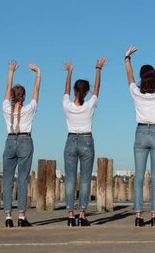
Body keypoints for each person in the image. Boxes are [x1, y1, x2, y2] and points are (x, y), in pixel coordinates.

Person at [125, 42, 155, 227]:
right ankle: (154, 216)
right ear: (154, 78)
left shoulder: (136, 92)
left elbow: (129, 77)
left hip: (140, 132)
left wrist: (127, 58)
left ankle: (138, 216)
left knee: (138, 176)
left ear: (141, 78)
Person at [62, 57, 107, 227]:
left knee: (70, 180)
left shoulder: (67, 105)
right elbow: (97, 89)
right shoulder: (89, 105)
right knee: (86, 179)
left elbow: (66, 92)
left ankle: (70, 215)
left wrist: (69, 72)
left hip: (71, 140)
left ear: (75, 91)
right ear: (86, 92)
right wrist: (98, 69)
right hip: (87, 140)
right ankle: (82, 214)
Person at [1, 60, 41, 228]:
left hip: (10, 140)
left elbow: (7, 92)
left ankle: (8, 216)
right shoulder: (29, 108)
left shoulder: (5, 107)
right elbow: (36, 90)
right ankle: (22, 216)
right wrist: (38, 72)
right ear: (23, 97)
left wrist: (11, 72)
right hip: (25, 140)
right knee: (23, 179)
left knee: (8, 180)